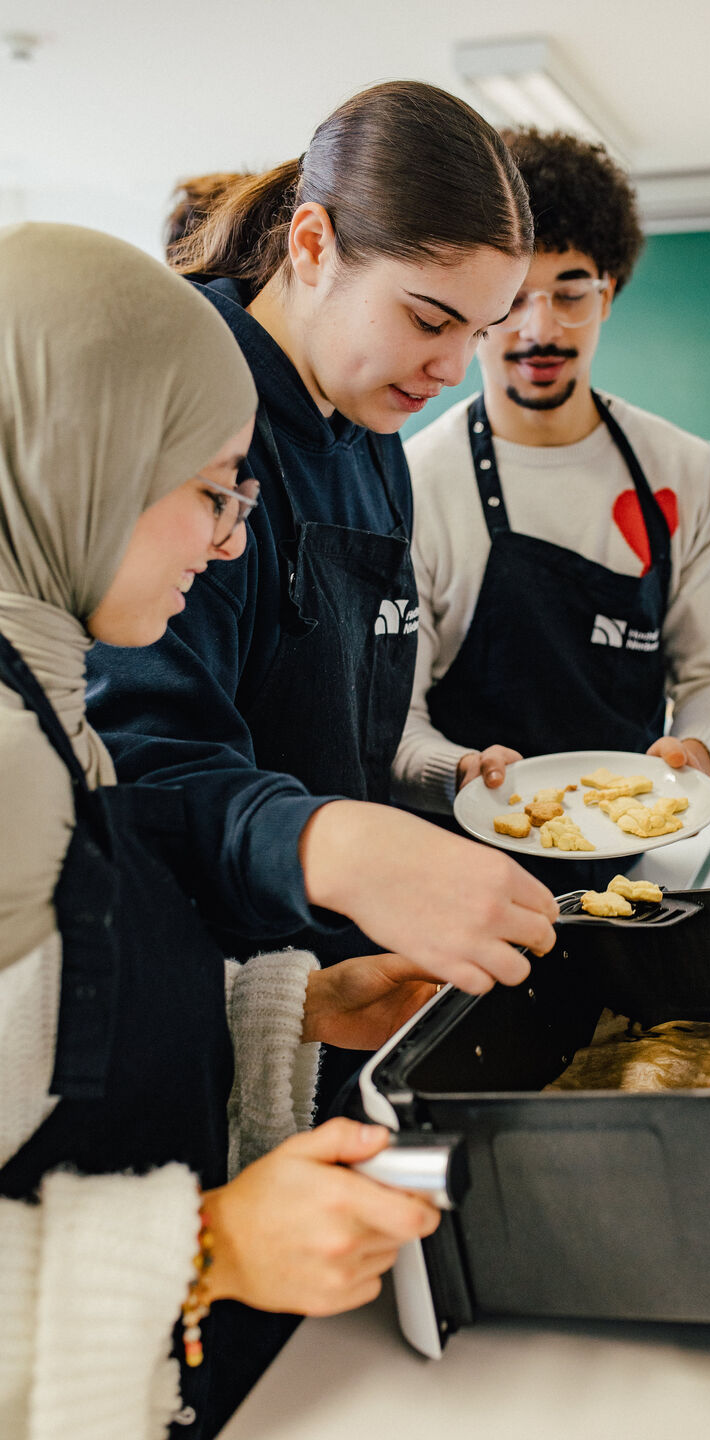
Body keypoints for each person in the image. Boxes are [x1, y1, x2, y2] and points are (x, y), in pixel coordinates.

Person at [0, 222, 448, 1440]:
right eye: (208, 494)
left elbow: (51, 1046)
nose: (231, 541)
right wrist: (203, 1250)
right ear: (74, 461)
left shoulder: (44, 701)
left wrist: (284, 1007)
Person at [86, 84, 557, 1053]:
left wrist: (429, 786)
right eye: (430, 320)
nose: (455, 369)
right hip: (181, 996)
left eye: (481, 331)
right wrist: (329, 849)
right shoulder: (192, 393)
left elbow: (343, 716)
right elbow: (140, 759)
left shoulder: (372, 426)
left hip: (323, 989)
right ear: (311, 246)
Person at [393, 129, 710, 874]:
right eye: (514, 299)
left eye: (571, 294)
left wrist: (698, 753)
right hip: (453, 870)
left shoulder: (685, 473)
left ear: (610, 294)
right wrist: (458, 772)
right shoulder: (414, 481)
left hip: (633, 863)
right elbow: (393, 721)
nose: (541, 328)